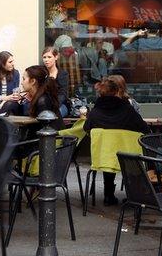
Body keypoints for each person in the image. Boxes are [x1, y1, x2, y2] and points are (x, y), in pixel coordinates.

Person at [84, 76, 150, 206]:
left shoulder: (95, 113)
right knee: (128, 152)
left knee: (109, 152)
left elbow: (87, 129)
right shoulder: (127, 110)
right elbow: (145, 130)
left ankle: (108, 195)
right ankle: (134, 194)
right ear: (117, 92)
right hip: (129, 159)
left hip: (104, 159)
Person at [20, 65, 64, 132]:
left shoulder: (43, 101)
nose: (21, 83)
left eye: (24, 79)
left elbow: (42, 128)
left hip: (51, 139)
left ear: (33, 81)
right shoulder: (40, 97)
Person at [41, 47, 70, 117]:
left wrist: (54, 105)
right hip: (43, 103)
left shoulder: (62, 74)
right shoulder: (40, 73)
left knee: (54, 114)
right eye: (44, 57)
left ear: (56, 57)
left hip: (59, 104)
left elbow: (63, 93)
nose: (46, 60)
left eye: (49, 57)